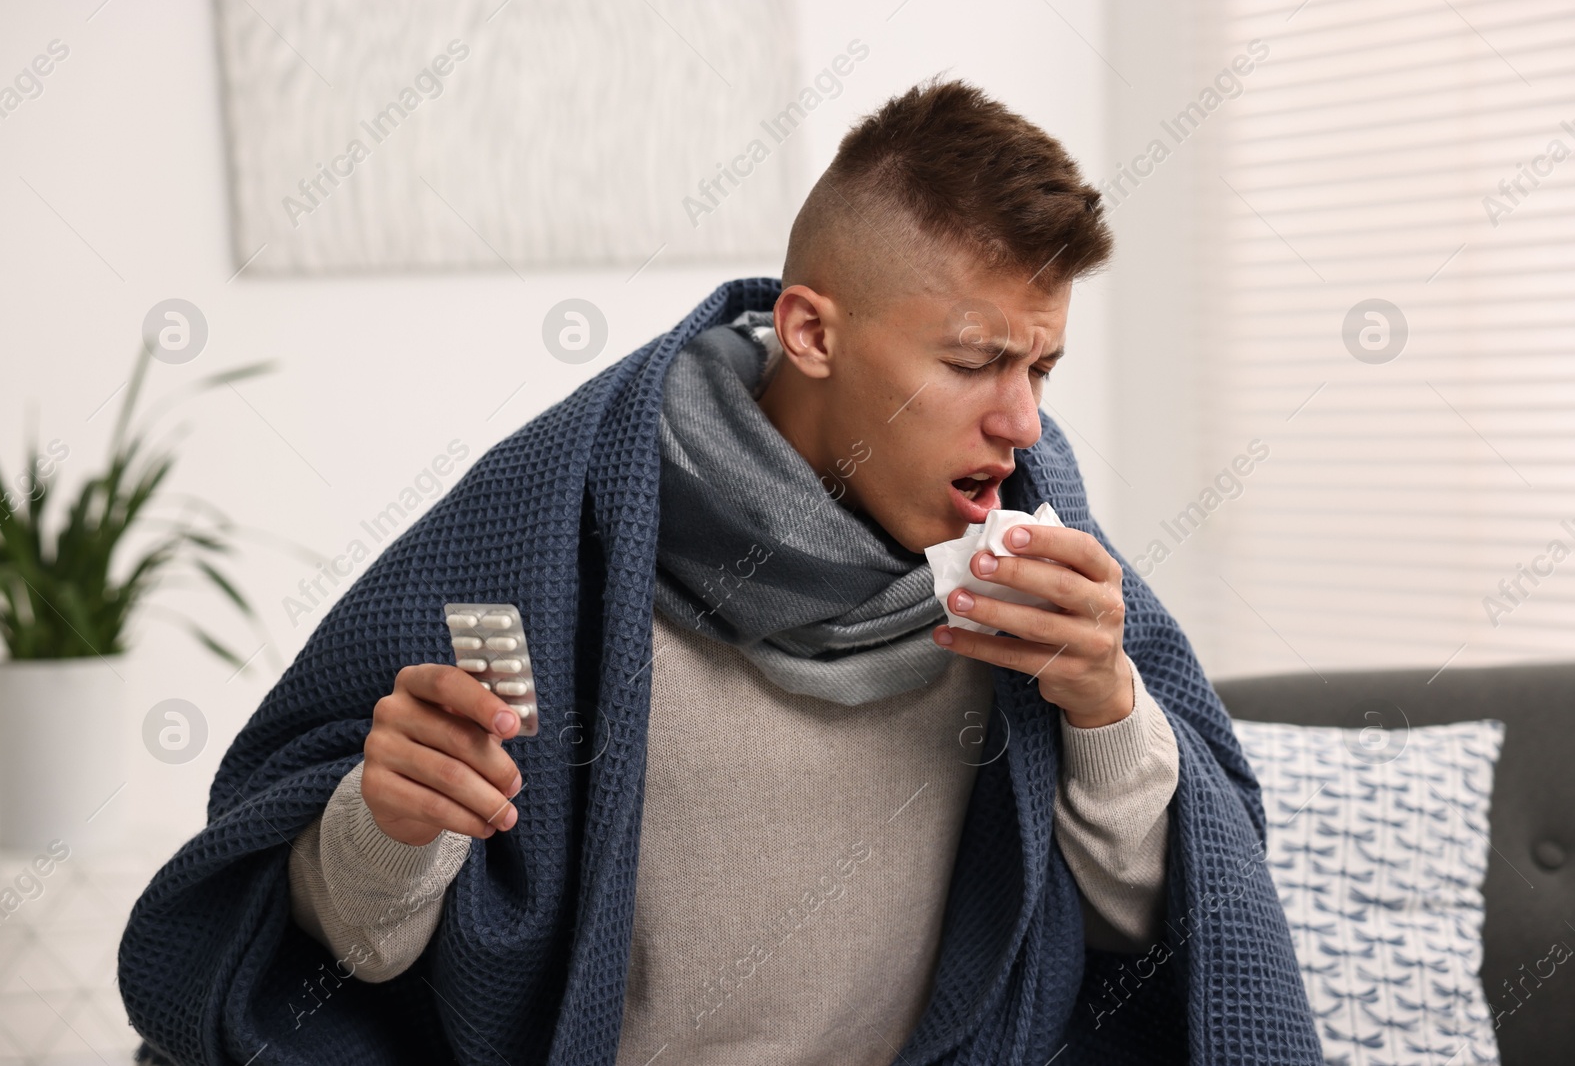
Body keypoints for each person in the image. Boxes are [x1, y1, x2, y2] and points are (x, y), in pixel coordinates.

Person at [120, 77, 1322, 1065]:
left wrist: (1105, 708)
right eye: (972, 360)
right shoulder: (563, 523)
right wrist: (390, 822)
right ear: (809, 332)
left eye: (1042, 368)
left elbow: (1152, 933)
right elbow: (356, 955)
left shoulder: (1041, 564)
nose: (1020, 422)